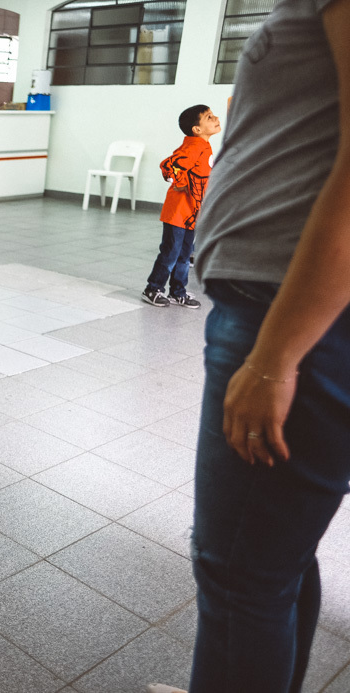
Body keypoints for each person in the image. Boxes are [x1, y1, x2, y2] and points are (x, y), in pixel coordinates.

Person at [145, 1, 350, 692]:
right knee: (273, 563)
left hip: (290, 316)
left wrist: (276, 355)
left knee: (237, 572)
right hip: (283, 309)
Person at [141, 105, 220, 309]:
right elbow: (168, 165)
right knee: (171, 253)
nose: (216, 118)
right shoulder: (194, 146)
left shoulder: (203, 145)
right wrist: (180, 181)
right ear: (197, 129)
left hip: (192, 213)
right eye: (209, 117)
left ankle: (178, 292)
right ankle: (153, 289)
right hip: (178, 213)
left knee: (185, 256)